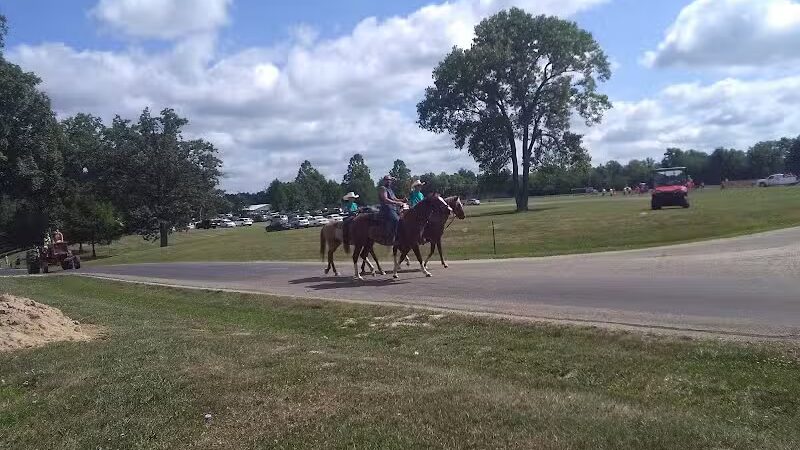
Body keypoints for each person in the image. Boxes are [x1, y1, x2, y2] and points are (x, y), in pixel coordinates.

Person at [378, 175, 406, 244]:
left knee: (403, 218)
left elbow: (395, 199)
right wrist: (397, 203)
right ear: (384, 181)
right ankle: (392, 237)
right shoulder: (383, 188)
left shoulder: (390, 189)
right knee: (396, 219)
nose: (389, 181)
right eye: (387, 180)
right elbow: (385, 199)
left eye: (390, 180)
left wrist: (402, 200)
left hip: (393, 208)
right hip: (386, 209)